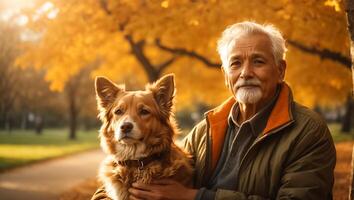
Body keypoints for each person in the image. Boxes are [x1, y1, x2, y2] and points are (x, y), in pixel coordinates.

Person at [92, 21, 336, 200]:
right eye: (236, 63)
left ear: (280, 70)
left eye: (258, 61)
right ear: (225, 75)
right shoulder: (209, 128)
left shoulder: (308, 131)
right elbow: (148, 166)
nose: (246, 73)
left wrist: (195, 197)